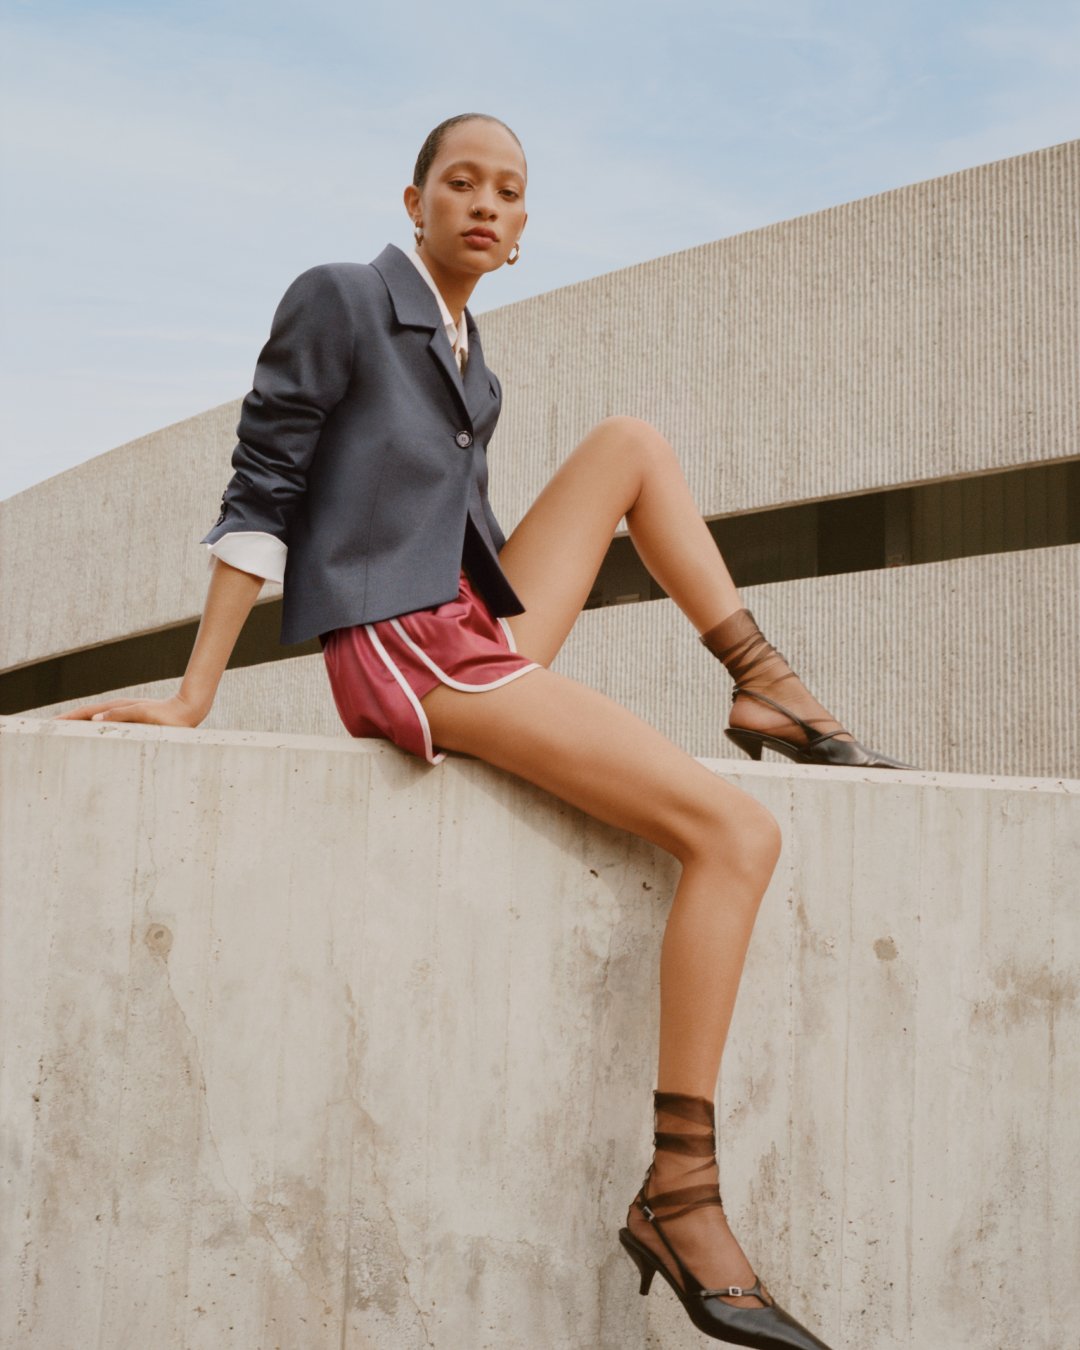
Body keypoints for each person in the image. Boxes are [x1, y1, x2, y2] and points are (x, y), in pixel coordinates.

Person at [60, 112, 908, 1348]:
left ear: (521, 231)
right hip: (403, 645)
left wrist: (506, 629)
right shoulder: (344, 298)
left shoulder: (475, 361)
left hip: (468, 620)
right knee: (736, 832)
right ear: (413, 200)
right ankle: (681, 1193)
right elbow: (265, 482)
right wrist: (198, 691)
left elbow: (469, 536)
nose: (486, 206)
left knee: (632, 443)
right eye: (462, 183)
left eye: (511, 193)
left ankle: (761, 679)